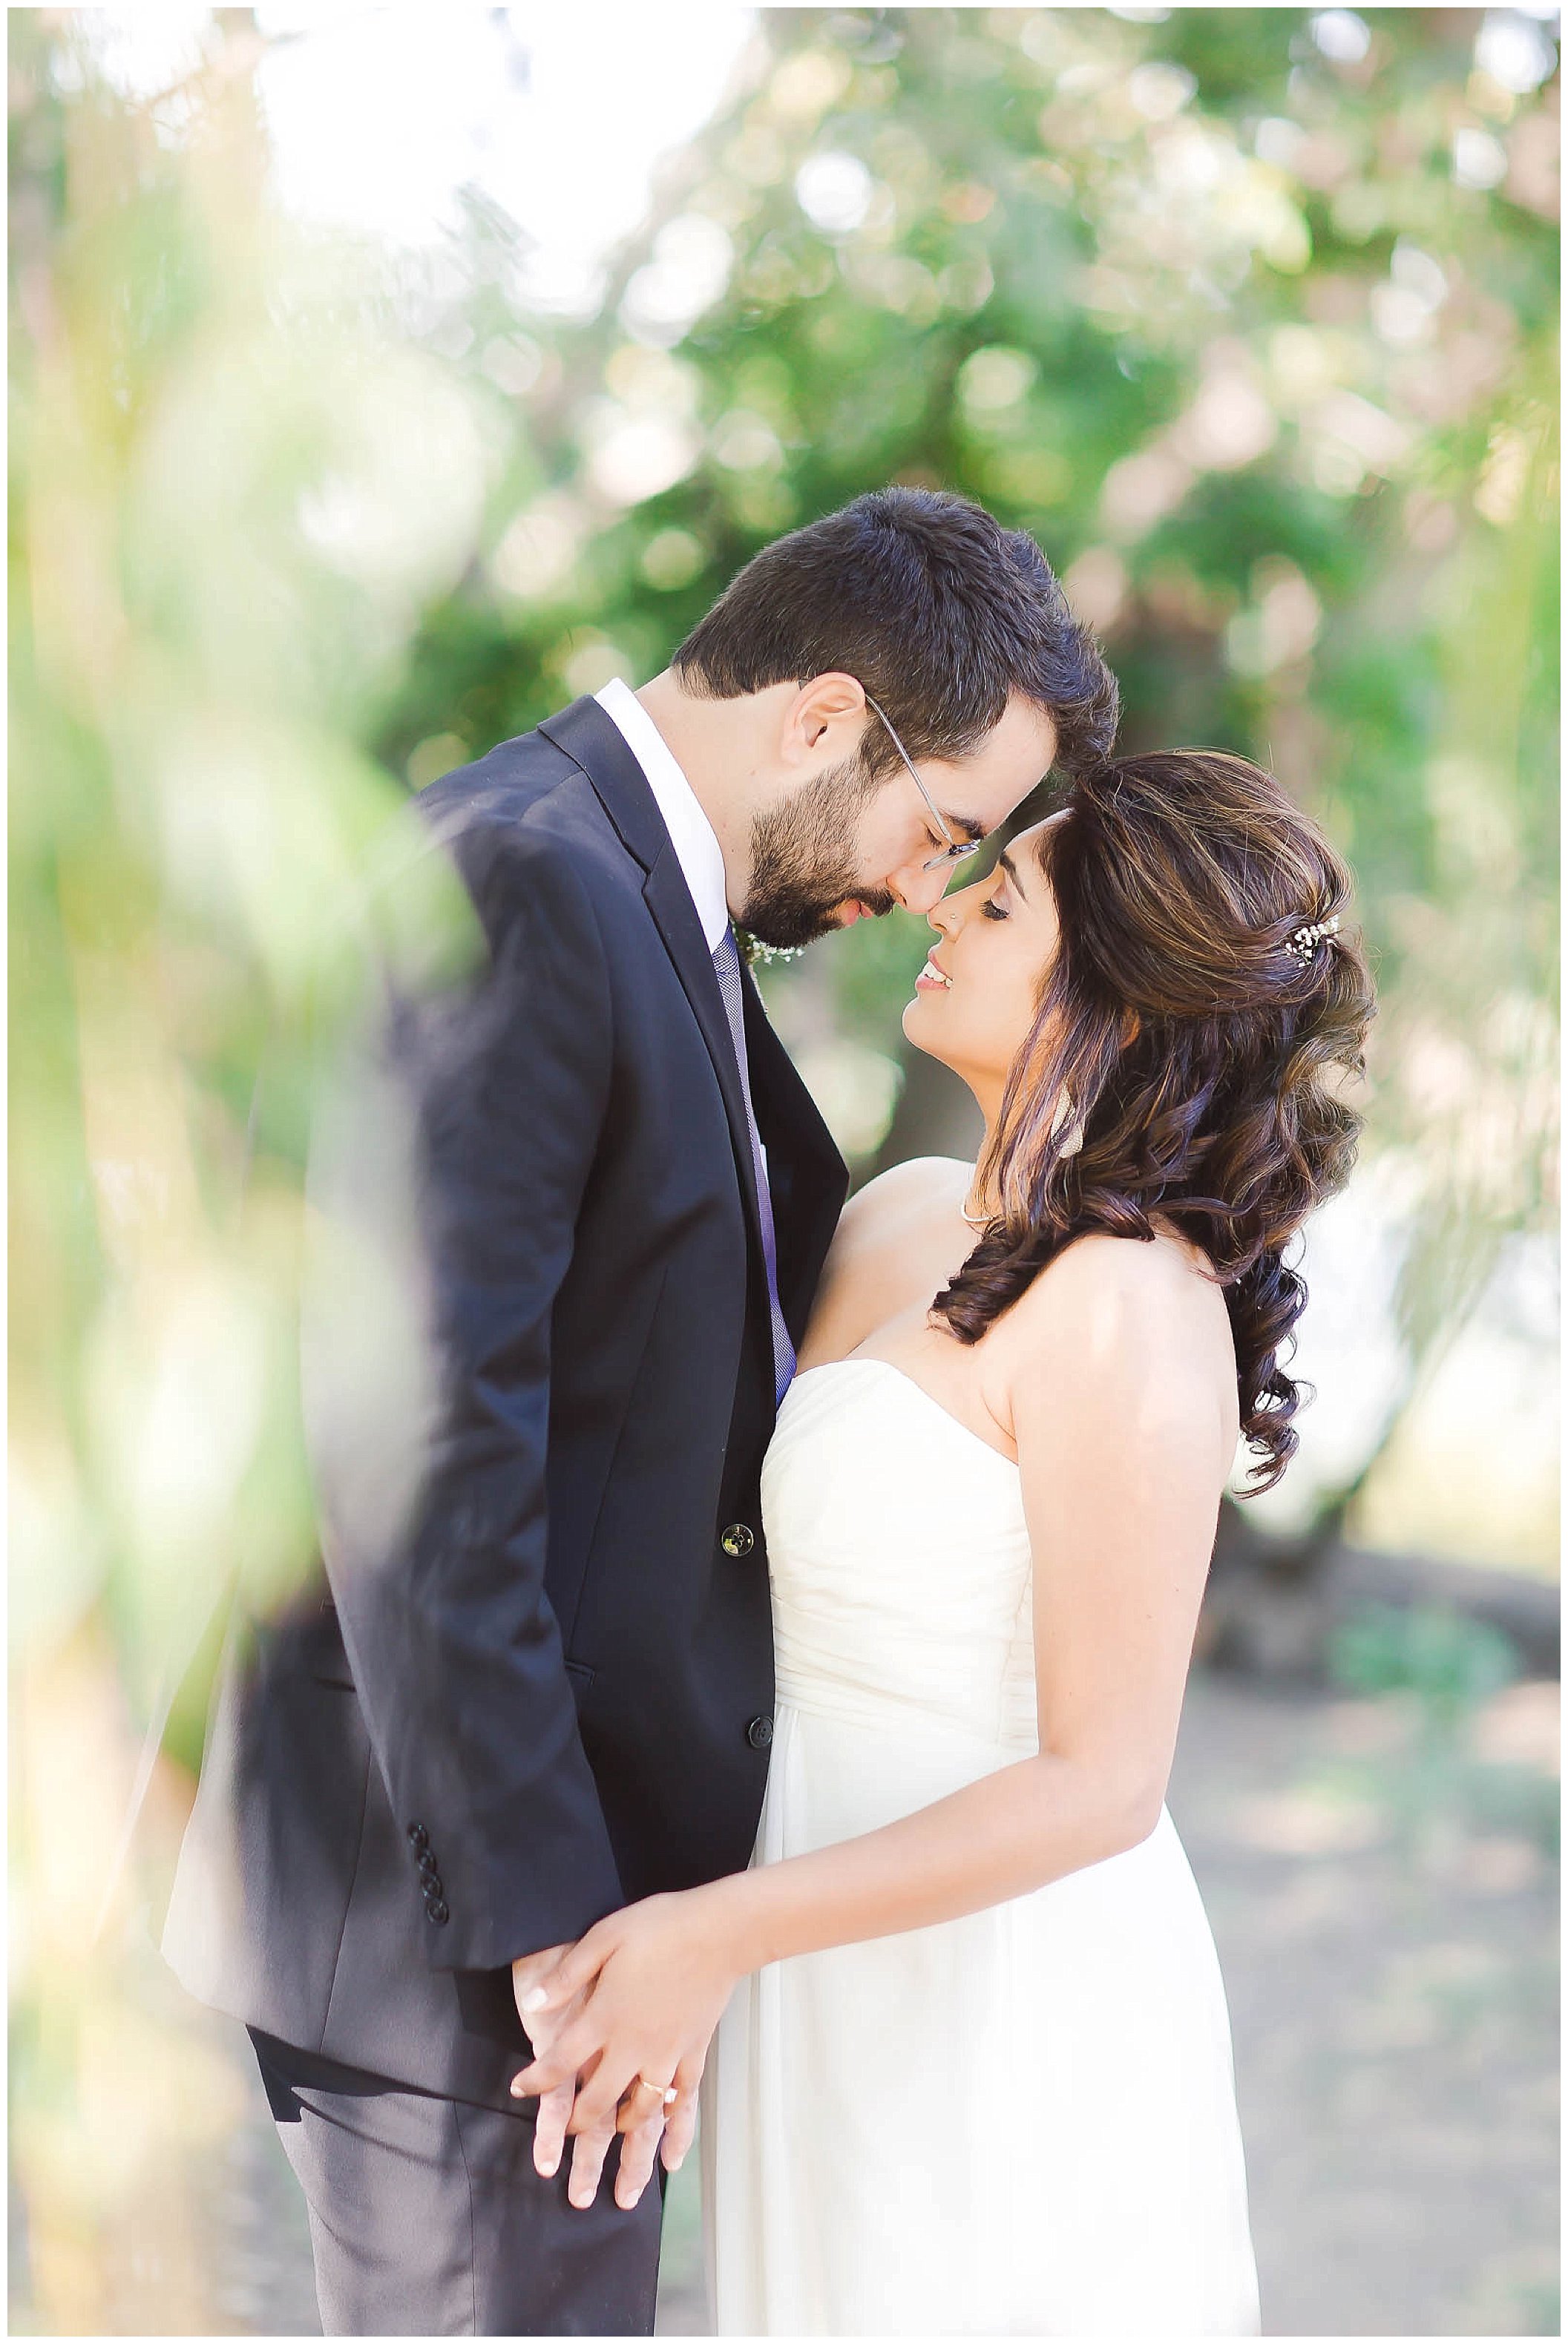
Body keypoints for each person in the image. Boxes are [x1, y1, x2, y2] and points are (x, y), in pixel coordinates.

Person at [161, 487, 1118, 2336]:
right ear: (827, 717)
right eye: (948, 830)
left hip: (550, 1907)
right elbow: (417, 1448)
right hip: (476, 1929)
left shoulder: (631, 883)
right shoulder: (525, 878)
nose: (927, 885)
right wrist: (556, 1940)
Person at [508, 747, 1377, 2336]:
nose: (942, 907)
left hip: (997, 1985)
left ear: (1111, 978)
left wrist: (711, 1933)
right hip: (814, 1943)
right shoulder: (899, 1210)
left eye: (1001, 895)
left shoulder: (1133, 1303)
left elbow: (1103, 1782)